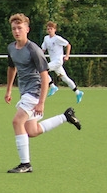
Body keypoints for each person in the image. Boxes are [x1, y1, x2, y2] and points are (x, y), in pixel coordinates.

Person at [4, 13, 82, 173]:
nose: (16, 31)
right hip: (25, 91)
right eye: (14, 28)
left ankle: (25, 164)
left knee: (17, 122)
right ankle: (65, 116)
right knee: (31, 131)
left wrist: (41, 102)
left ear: (27, 29)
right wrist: (9, 89)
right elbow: (12, 68)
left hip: (35, 90)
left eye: (20, 28)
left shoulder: (34, 50)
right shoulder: (11, 48)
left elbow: (45, 77)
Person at [41, 21, 84, 103]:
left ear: (55, 29)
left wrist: (67, 56)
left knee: (43, 70)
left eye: (51, 29)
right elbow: (43, 49)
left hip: (58, 61)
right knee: (65, 78)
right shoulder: (46, 38)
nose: (49, 30)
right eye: (48, 29)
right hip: (54, 62)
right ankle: (78, 92)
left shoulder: (57, 38)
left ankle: (53, 86)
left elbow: (68, 45)